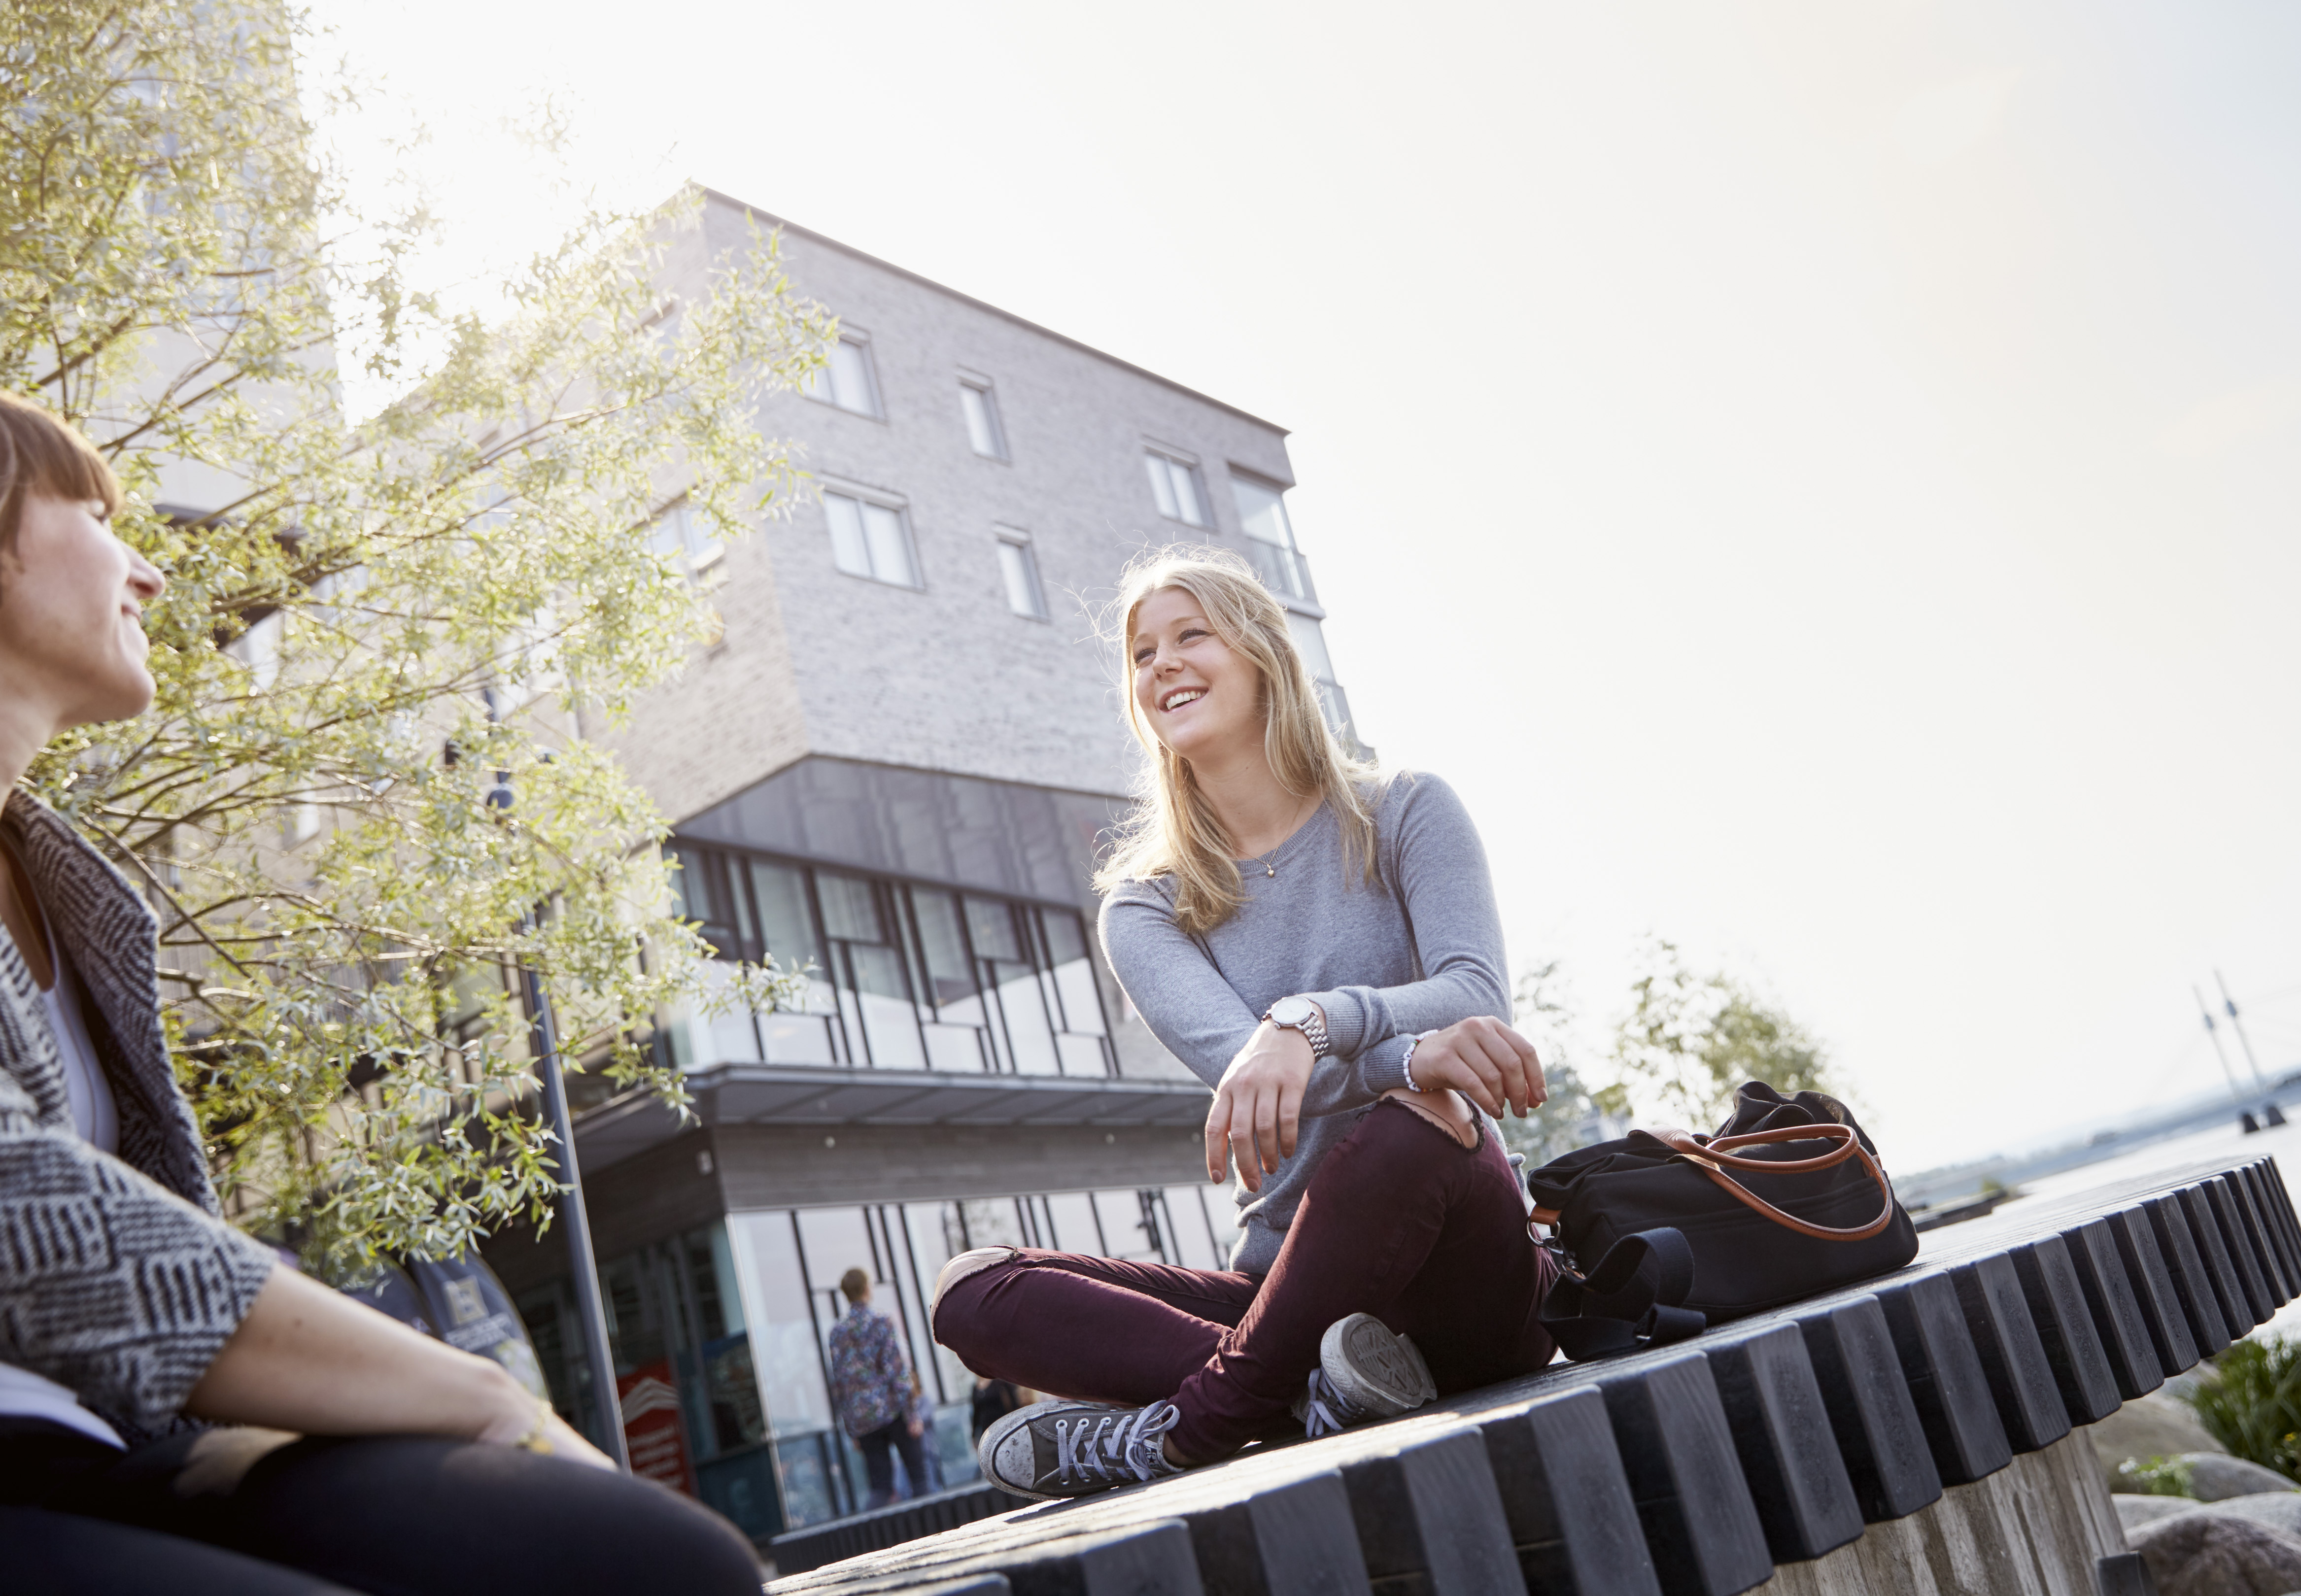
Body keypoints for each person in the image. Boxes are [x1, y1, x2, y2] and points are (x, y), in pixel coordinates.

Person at [0, 392, 763, 1594]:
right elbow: (28, 1208)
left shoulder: (71, 887)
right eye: (98, 516)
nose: (146, 571)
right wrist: (465, 1384)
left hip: (106, 1445)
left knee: (650, 1560)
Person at [933, 550, 1556, 1499]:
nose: (1162, 666)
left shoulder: (1404, 810)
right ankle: (1311, 1395)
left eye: (1191, 636)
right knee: (973, 1291)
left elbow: (1476, 997)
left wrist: (1314, 1019)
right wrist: (1395, 1047)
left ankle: (1196, 1425)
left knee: (1413, 1120)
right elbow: (1247, 1068)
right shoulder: (1144, 907)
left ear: (1264, 653)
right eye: (1143, 654)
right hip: (1290, 1291)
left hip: (1464, 1268)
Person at [824, 1268, 933, 1505]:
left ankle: (878, 1540)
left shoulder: (837, 1333)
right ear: (867, 1289)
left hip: (863, 1420)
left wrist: (851, 1428)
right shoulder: (881, 1322)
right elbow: (896, 1369)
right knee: (919, 1478)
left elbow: (840, 1383)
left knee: (880, 1487)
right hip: (894, 1411)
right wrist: (912, 1414)